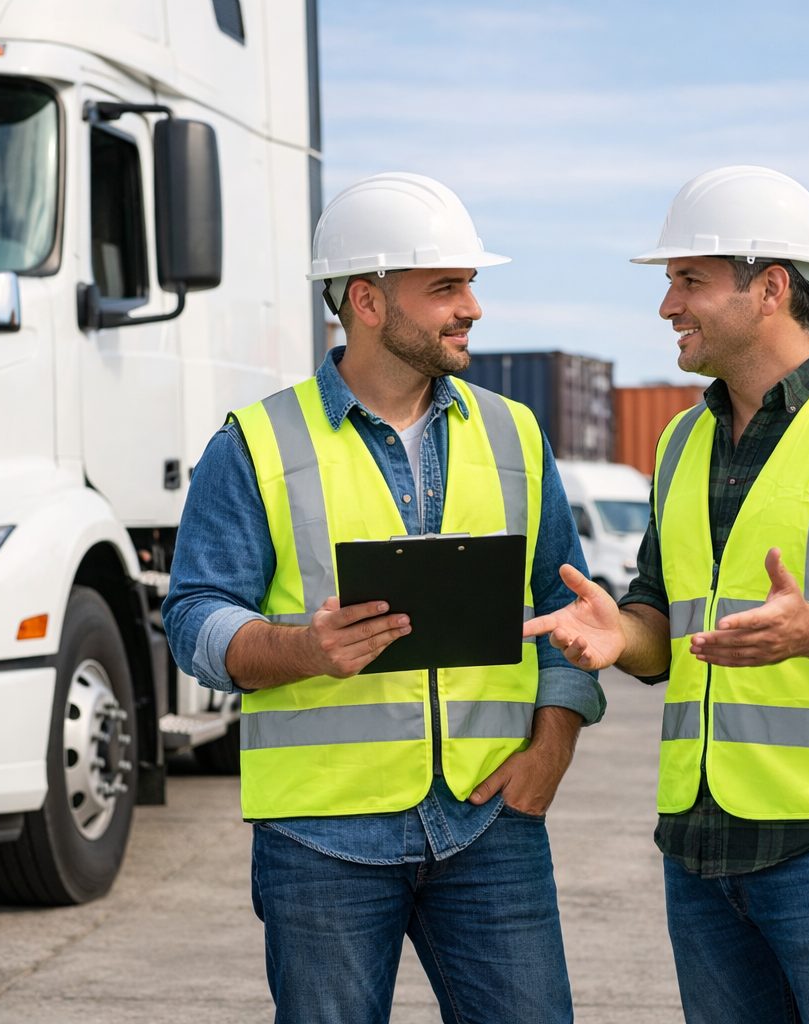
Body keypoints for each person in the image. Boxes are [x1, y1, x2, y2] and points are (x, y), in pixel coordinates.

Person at [525, 165, 809, 1024]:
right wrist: (618, 635)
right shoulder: (678, 442)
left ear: (771, 287)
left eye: (688, 280)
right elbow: (665, 622)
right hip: (701, 853)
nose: (667, 305)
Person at [163, 171, 603, 1024]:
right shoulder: (255, 443)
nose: (471, 306)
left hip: (489, 823)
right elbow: (193, 618)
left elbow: (564, 607)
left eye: (471, 284)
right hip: (322, 836)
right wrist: (300, 649)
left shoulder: (515, 433)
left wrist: (551, 748)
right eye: (445, 286)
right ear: (366, 299)